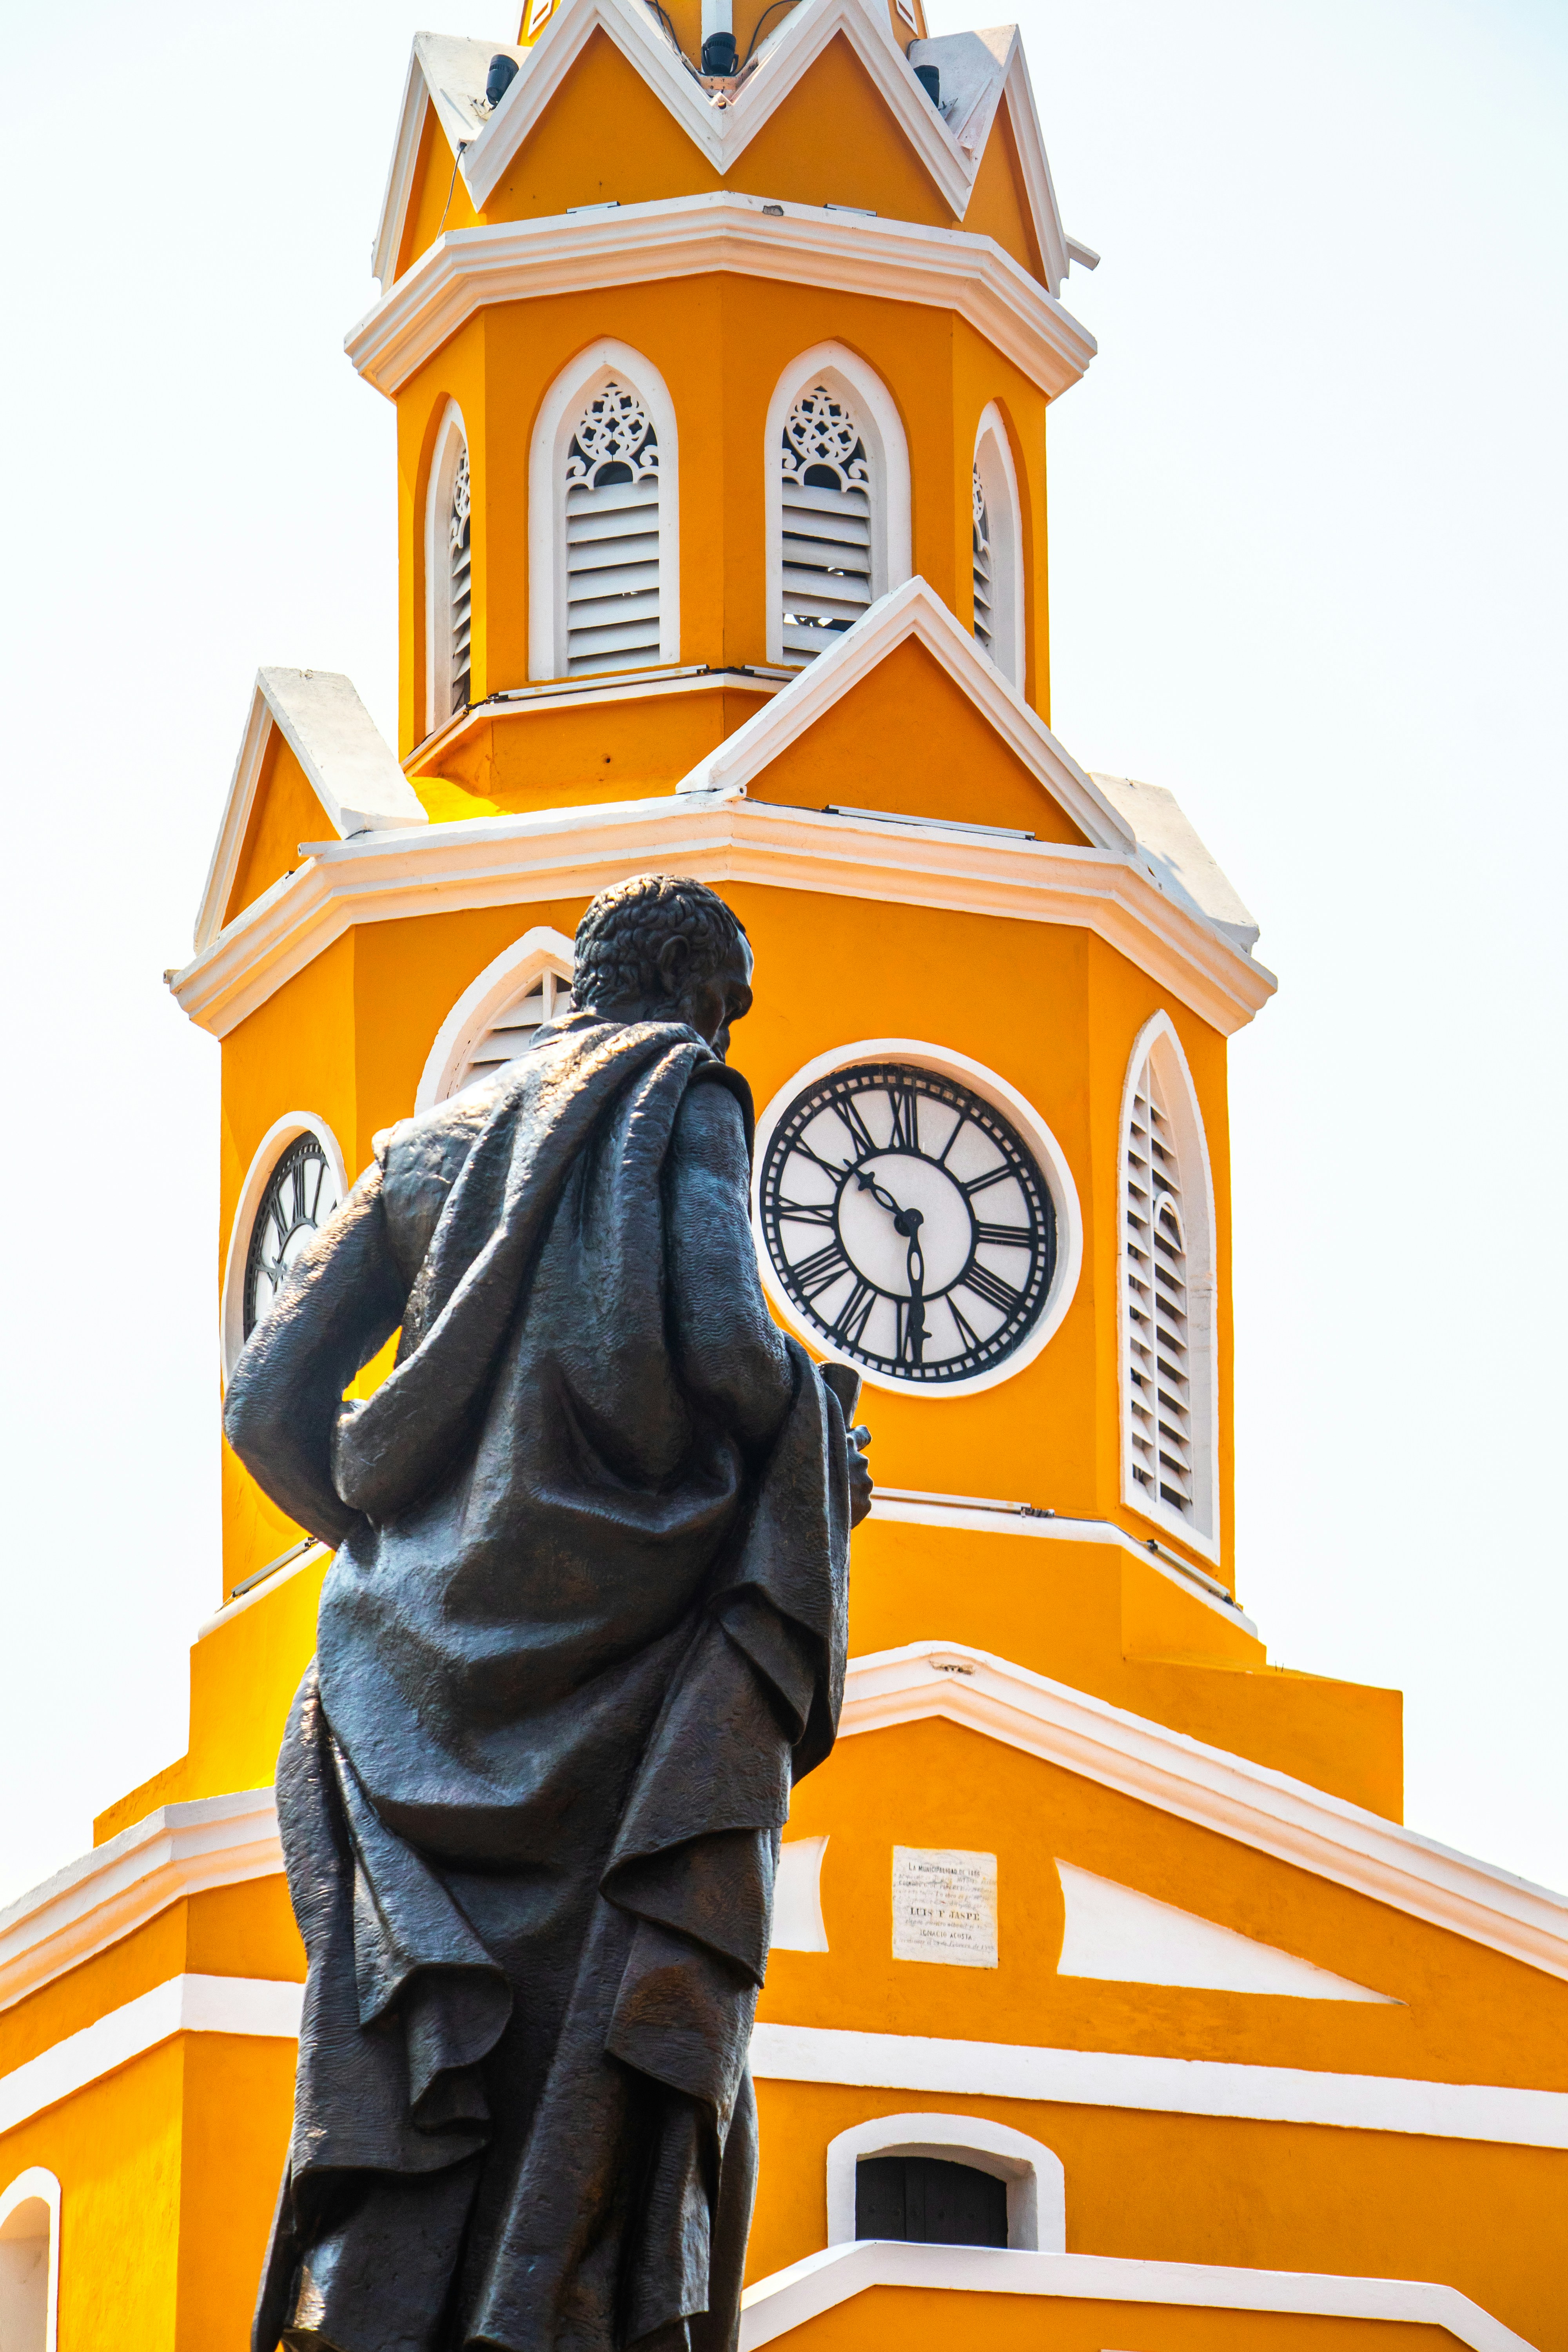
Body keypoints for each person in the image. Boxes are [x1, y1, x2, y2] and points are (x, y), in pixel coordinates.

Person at [225, 874, 871, 2352]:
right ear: (705, 996)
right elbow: (723, 1334)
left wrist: (394, 1534)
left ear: (581, 981)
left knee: (410, 2056)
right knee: (616, 2032)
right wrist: (815, 1440)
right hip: (631, 1693)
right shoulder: (686, 1095)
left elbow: (267, 1400)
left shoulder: (417, 1153)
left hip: (399, 1698)